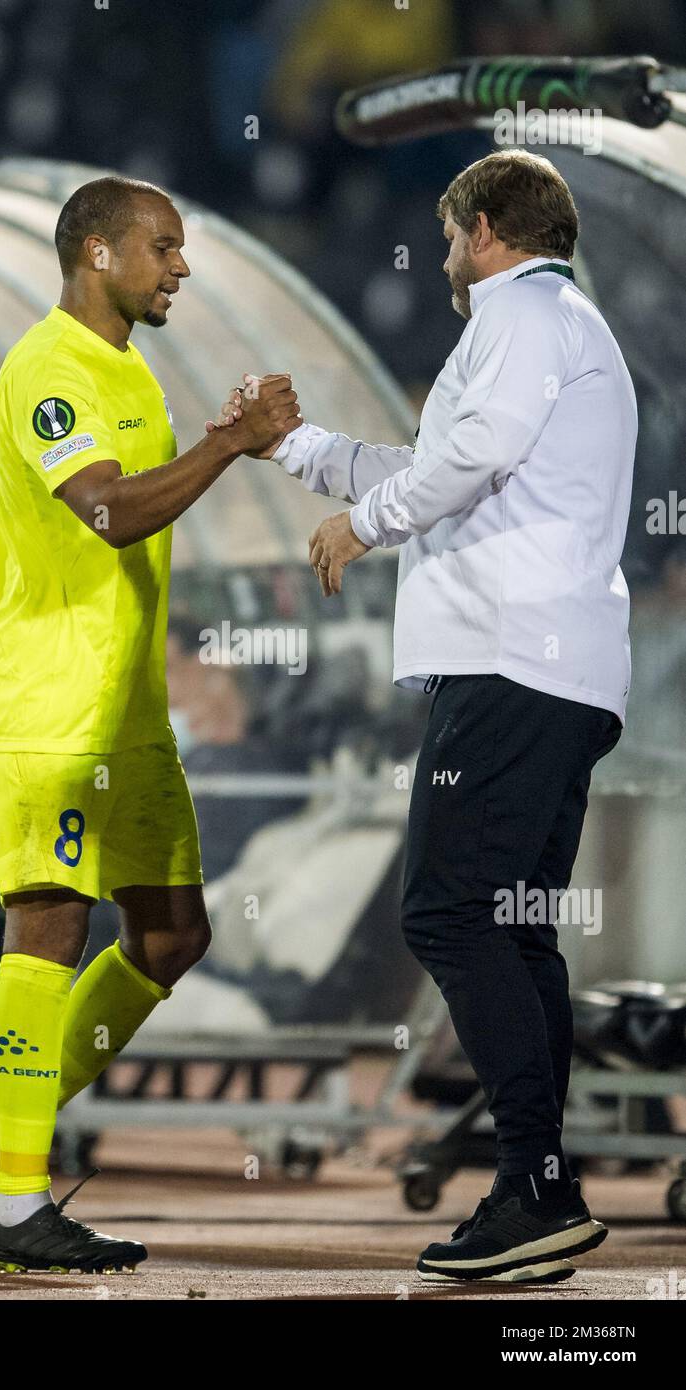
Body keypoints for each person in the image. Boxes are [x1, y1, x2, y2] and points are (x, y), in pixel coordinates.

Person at [212, 150, 636, 1284]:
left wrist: (363, 528)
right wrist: (294, 450)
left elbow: (470, 459)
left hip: (511, 664)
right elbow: (447, 462)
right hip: (551, 669)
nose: (444, 259)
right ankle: (539, 1187)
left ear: (488, 227)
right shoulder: (555, 324)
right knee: (508, 926)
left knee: (447, 914)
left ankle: (533, 1184)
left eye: (451, 237)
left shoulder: (522, 315)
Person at [0, 173, 301, 1275]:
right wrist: (229, 445)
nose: (180, 266)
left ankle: (3, 1130)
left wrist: (218, 444)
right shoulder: (49, 367)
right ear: (96, 254)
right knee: (47, 926)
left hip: (122, 715)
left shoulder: (124, 370)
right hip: (43, 705)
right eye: (162, 247)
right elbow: (105, 511)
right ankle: (15, 1207)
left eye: (182, 249)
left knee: (170, 937)